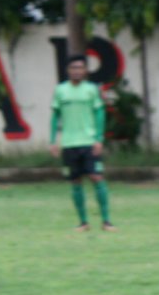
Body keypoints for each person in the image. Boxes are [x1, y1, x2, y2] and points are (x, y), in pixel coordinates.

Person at [49, 54, 116, 231]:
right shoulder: (61, 90)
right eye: (73, 68)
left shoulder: (91, 90)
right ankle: (83, 222)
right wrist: (53, 140)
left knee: (97, 177)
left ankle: (106, 221)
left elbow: (100, 114)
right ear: (68, 70)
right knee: (75, 181)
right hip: (69, 143)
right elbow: (55, 116)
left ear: (85, 70)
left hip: (88, 142)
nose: (77, 71)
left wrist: (99, 138)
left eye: (80, 68)